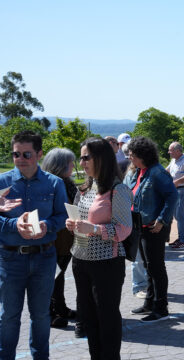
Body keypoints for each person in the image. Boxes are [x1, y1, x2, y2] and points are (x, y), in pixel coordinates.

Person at [0, 130, 68, 359]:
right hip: (10, 260)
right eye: (15, 154)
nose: (20, 159)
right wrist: (13, 224)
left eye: (26, 154)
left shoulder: (55, 184)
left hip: (43, 258)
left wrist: (46, 226)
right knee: (9, 315)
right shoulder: (2, 182)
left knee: (40, 315)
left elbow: (62, 217)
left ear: (39, 154)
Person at [66, 138, 132, 359]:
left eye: (86, 157)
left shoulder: (117, 189)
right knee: (89, 318)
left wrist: (93, 228)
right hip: (80, 259)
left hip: (107, 263)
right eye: (81, 157)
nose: (81, 162)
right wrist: (73, 224)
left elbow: (123, 230)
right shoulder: (86, 187)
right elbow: (81, 218)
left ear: (101, 159)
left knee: (107, 318)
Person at [125, 137, 177, 322]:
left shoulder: (157, 173)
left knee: (156, 268)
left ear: (142, 155)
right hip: (140, 227)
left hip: (154, 228)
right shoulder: (139, 171)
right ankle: (150, 303)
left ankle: (161, 308)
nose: (129, 157)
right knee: (148, 267)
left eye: (131, 154)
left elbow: (172, 196)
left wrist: (162, 220)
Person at [41, 148, 78, 329]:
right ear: (60, 165)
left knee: (59, 275)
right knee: (50, 277)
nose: (73, 166)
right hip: (52, 240)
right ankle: (50, 313)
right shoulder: (49, 185)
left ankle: (60, 308)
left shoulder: (68, 183)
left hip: (65, 241)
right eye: (70, 163)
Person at [167, 141, 184, 250]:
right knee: (177, 215)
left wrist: (177, 182)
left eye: (171, 150)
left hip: (182, 190)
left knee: (180, 215)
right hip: (174, 191)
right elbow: (166, 171)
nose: (169, 153)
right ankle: (180, 238)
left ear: (178, 151)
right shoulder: (173, 160)